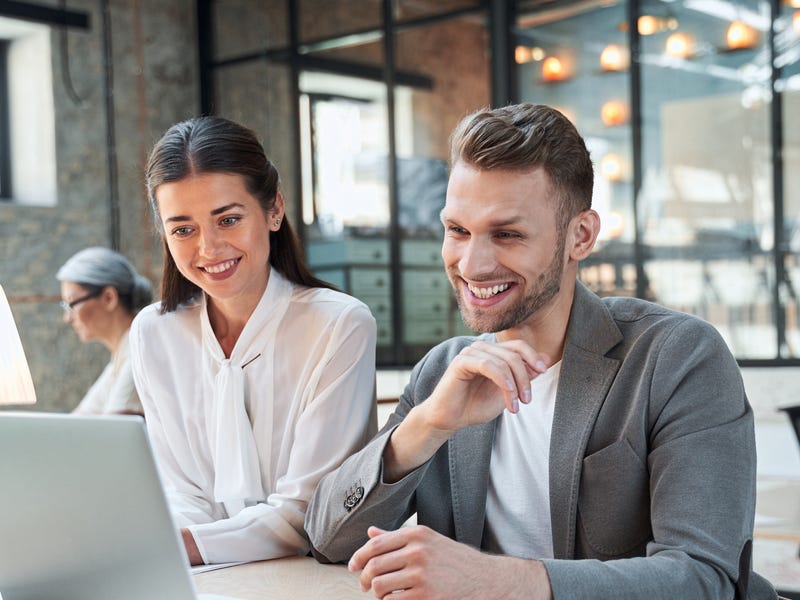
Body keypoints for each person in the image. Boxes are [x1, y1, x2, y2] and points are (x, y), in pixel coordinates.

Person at [304, 103, 777, 599]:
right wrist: (425, 427)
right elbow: (328, 541)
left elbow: (704, 579)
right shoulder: (443, 374)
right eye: (457, 230)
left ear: (581, 236)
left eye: (507, 234)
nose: (473, 264)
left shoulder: (678, 357)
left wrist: (495, 581)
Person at [129, 115, 377, 566]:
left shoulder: (338, 325)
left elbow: (307, 513)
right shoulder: (154, 333)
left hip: (308, 580)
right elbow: (179, 490)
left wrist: (184, 547)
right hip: (202, 579)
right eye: (182, 229)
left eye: (228, 219)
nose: (208, 248)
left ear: (274, 210)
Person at [57, 246, 152, 416]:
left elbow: (112, 434)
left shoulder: (140, 355)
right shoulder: (120, 358)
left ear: (109, 298)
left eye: (71, 304)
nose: (68, 318)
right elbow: (75, 422)